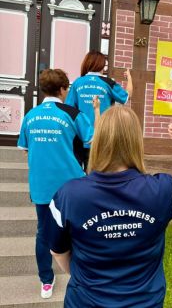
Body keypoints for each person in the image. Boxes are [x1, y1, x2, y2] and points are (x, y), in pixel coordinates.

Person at [46, 106, 172, 308]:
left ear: (99, 140)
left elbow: (58, 251)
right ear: (136, 142)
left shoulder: (68, 196)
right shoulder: (162, 190)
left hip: (85, 301)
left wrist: (83, 277)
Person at [17, 68, 100, 299]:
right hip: (72, 187)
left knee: (43, 233)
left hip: (41, 187)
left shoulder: (30, 115)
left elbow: (25, 148)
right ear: (63, 89)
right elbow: (93, 140)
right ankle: (83, 274)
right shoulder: (72, 114)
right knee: (82, 229)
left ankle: (46, 280)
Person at [65, 50, 133, 169]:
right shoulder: (108, 83)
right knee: (98, 172)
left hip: (80, 136)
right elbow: (127, 96)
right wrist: (129, 78)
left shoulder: (77, 82)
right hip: (103, 135)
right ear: (102, 65)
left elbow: (68, 110)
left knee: (80, 173)